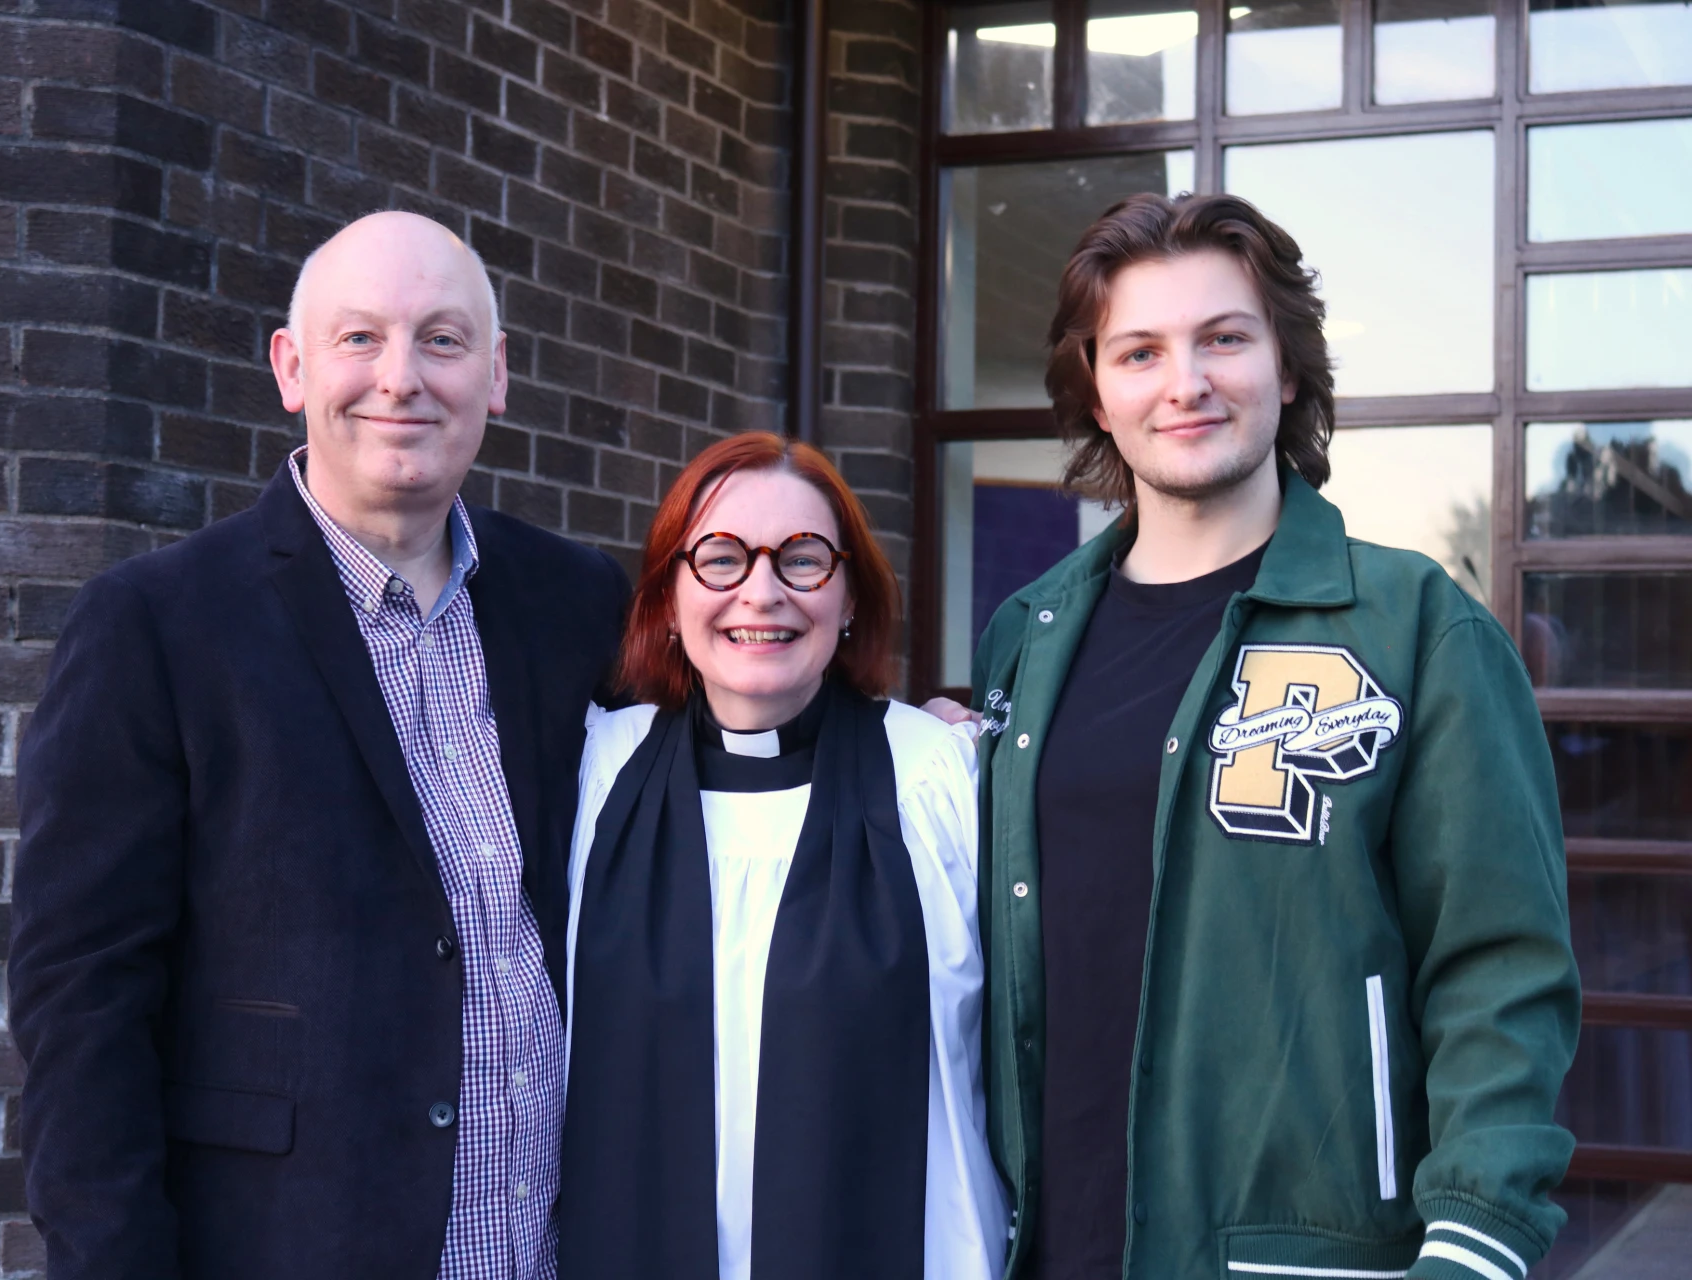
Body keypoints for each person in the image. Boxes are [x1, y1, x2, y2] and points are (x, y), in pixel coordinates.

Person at [9, 212, 630, 1279]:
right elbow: (83, 1001)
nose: (402, 378)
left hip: (550, 1246)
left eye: (443, 339)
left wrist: (904, 734)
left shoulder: (576, 601)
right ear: (292, 368)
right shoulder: (158, 624)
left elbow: (720, 753)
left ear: (496, 376)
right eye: (359, 338)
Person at [974, 193, 1579, 1280]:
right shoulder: (1029, 633)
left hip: (1314, 1258)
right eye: (1140, 351)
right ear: (1098, 394)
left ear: (1288, 368)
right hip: (1051, 1249)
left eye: (1225, 338)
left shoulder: (1416, 627)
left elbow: (1499, 968)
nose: (1186, 382)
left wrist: (1477, 1242)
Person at [559, 432, 1007, 1280]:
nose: (760, 593)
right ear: (667, 596)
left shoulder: (940, 776)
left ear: (849, 601)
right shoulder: (592, 770)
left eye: (802, 559)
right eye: (720, 558)